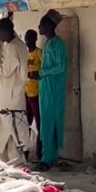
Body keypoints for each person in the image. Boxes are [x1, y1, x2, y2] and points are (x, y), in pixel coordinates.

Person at [0, 18, 30, 161]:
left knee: (13, 132)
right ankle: (14, 161)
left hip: (10, 97)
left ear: (5, 31)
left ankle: (18, 162)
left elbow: (5, 71)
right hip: (15, 93)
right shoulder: (20, 45)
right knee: (12, 133)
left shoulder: (12, 47)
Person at [36, 12, 68, 171]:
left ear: (49, 26)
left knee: (50, 123)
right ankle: (48, 156)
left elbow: (60, 66)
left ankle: (47, 158)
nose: (39, 27)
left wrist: (41, 73)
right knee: (46, 124)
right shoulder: (47, 43)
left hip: (54, 90)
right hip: (45, 89)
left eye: (41, 24)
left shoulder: (58, 44)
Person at [24, 29, 43, 161]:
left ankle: (39, 152)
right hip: (25, 92)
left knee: (40, 123)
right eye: (27, 38)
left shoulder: (39, 53)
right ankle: (25, 151)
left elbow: (45, 70)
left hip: (37, 93)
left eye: (31, 38)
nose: (28, 40)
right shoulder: (25, 55)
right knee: (26, 123)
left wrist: (37, 74)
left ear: (35, 39)